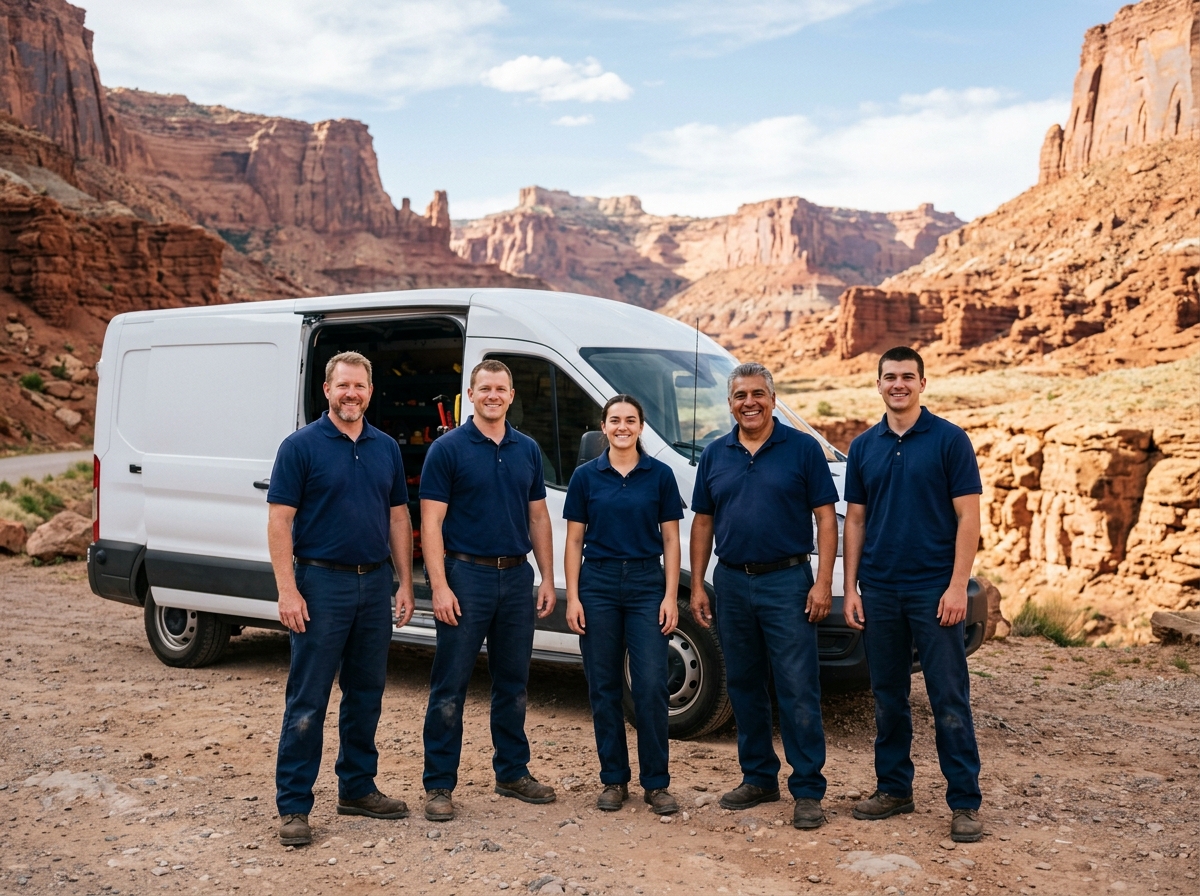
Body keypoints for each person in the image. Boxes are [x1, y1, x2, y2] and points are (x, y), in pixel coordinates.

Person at [266, 351, 416, 847]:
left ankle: (357, 788)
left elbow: (398, 517)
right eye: (343, 385)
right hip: (320, 584)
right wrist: (287, 590)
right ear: (327, 390)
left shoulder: (385, 447)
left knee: (366, 692)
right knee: (308, 698)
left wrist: (405, 583)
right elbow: (279, 521)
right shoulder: (300, 446)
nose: (352, 394)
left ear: (370, 392)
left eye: (360, 386)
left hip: (373, 585)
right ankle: (294, 805)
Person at [841, 345, 984, 844]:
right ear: (878, 384)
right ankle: (894, 789)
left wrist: (958, 586)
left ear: (923, 383)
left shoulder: (949, 440)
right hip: (879, 590)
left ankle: (964, 802)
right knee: (888, 696)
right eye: (889, 377)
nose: (898, 384)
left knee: (949, 696)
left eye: (907, 376)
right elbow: (855, 521)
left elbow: (969, 517)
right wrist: (850, 587)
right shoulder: (864, 446)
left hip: (933, 590)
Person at [689, 361, 840, 830]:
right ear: (730, 403)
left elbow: (826, 518)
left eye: (758, 394)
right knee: (743, 683)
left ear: (773, 400)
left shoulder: (803, 449)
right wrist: (698, 584)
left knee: (798, 686)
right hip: (732, 582)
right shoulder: (715, 453)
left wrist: (822, 582)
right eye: (740, 395)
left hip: (787, 582)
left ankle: (808, 789)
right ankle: (758, 777)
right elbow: (703, 523)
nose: (749, 402)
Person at [418, 359, 557, 822]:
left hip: (516, 578)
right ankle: (439, 784)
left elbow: (538, 516)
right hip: (466, 577)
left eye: (501, 389)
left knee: (513, 683)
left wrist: (546, 577)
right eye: (485, 389)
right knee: (450, 685)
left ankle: (512, 773)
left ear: (511, 396)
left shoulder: (527, 449)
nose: (493, 396)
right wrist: (440, 586)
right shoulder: (447, 450)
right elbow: (431, 523)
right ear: (471, 395)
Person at [563, 395, 685, 815]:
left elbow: (671, 540)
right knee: (604, 686)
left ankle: (656, 784)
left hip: (647, 585)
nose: (622, 427)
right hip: (597, 584)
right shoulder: (585, 477)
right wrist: (573, 597)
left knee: (650, 685)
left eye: (630, 420)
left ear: (640, 427)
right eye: (614, 420)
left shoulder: (660, 475)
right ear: (603, 426)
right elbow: (574, 541)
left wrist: (670, 596)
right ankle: (613, 780)